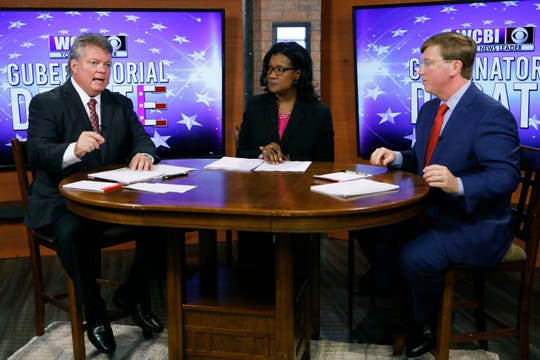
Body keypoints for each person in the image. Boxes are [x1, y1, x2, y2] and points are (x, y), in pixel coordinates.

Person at [369, 32, 520, 358]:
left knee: (415, 255)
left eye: (426, 63)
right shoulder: (429, 111)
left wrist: (459, 184)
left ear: (454, 66)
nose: (419, 70)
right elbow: (422, 159)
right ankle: (402, 312)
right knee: (373, 233)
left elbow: (505, 176)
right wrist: (395, 157)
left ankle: (427, 323)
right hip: (435, 212)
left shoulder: (490, 114)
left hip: (478, 223)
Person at [25, 33, 164, 354]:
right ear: (74, 66)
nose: (102, 70)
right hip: (61, 206)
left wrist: (145, 154)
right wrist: (73, 149)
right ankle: (94, 308)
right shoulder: (47, 103)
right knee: (74, 233)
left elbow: (143, 139)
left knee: (160, 225)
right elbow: (38, 152)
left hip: (110, 202)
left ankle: (133, 294)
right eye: (94, 63)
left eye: (107, 64)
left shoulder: (119, 103)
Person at [236, 41, 334, 272]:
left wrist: (288, 158)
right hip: (259, 193)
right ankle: (255, 288)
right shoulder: (256, 106)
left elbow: (326, 163)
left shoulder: (318, 112)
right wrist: (262, 153)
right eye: (269, 69)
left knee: (296, 257)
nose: (272, 75)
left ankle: (294, 287)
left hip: (300, 195)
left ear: (298, 73)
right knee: (254, 251)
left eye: (280, 70)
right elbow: (241, 153)